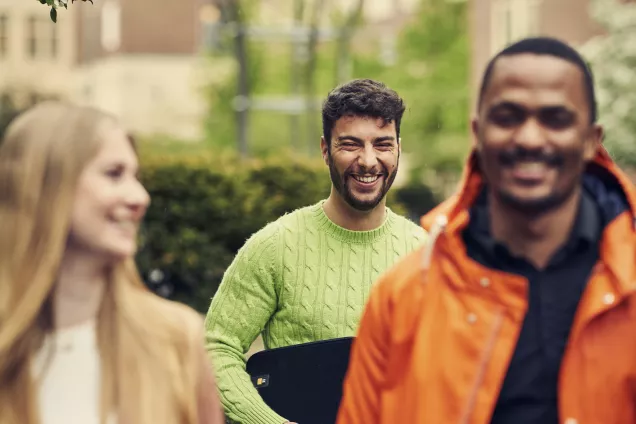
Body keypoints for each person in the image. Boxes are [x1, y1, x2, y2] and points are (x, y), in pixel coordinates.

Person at [337, 37, 636, 424]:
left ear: (590, 142)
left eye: (555, 119)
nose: (529, 138)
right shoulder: (404, 298)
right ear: (478, 133)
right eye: (508, 116)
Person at [204, 78, 427, 424]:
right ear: (325, 150)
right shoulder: (275, 246)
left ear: (398, 147)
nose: (368, 161)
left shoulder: (426, 254)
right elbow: (216, 350)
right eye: (350, 144)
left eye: (382, 144)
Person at [0, 102, 223, 424]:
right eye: (113, 174)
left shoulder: (177, 339)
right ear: (46, 185)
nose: (139, 197)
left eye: (135, 176)